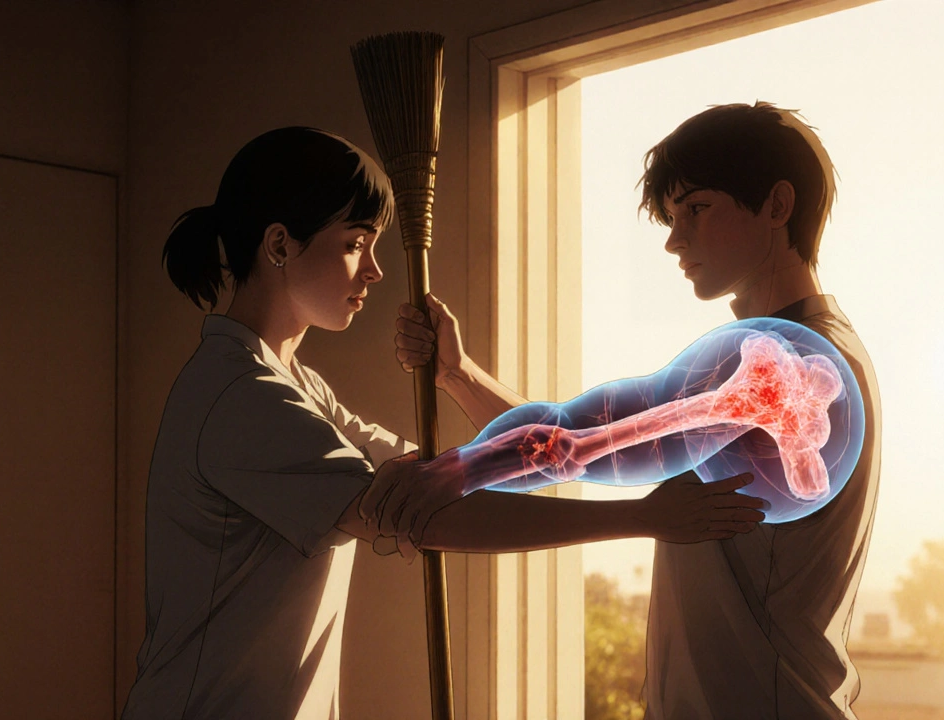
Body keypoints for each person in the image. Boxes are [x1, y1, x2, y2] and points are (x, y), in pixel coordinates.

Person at [120, 126, 764, 720]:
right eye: (353, 244)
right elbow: (426, 514)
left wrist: (458, 374)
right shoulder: (242, 397)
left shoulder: (297, 387)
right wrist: (640, 519)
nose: (373, 270)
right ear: (281, 244)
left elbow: (457, 476)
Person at [392, 102, 881, 719]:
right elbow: (590, 444)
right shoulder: (800, 347)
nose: (676, 240)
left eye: (697, 209)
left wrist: (453, 472)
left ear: (777, 206)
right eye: (672, 218)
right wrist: (459, 376)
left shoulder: (790, 363)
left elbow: (575, 444)